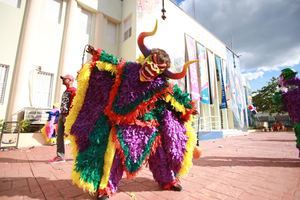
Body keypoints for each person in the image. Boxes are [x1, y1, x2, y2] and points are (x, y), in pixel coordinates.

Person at [49, 74, 76, 163]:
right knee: (59, 136)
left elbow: (75, 105)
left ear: (70, 80)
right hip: (61, 115)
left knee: (76, 137)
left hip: (68, 117)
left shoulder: (74, 91)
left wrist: (70, 117)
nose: (63, 80)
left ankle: (81, 156)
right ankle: (60, 156)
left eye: (65, 79)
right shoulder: (65, 91)